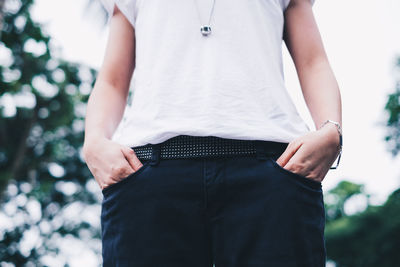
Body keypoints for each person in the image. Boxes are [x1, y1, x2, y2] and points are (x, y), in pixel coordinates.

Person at [83, 0, 342, 266]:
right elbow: (112, 80)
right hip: (149, 174)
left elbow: (313, 61)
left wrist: (331, 128)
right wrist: (93, 141)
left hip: (273, 170)